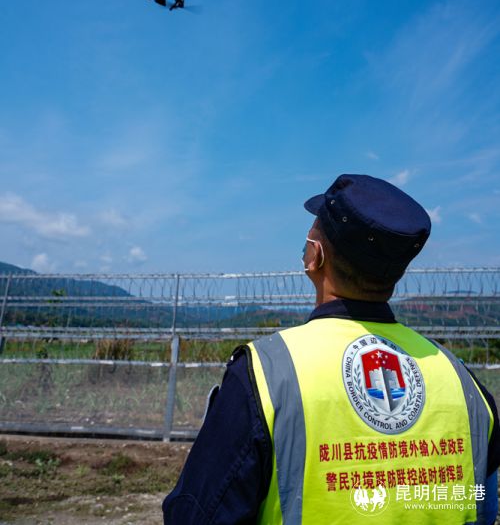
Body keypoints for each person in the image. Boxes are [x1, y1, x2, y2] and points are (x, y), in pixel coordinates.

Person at [163, 174, 500, 524]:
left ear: (315, 255)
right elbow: (484, 508)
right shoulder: (462, 382)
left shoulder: (267, 373)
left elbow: (195, 514)